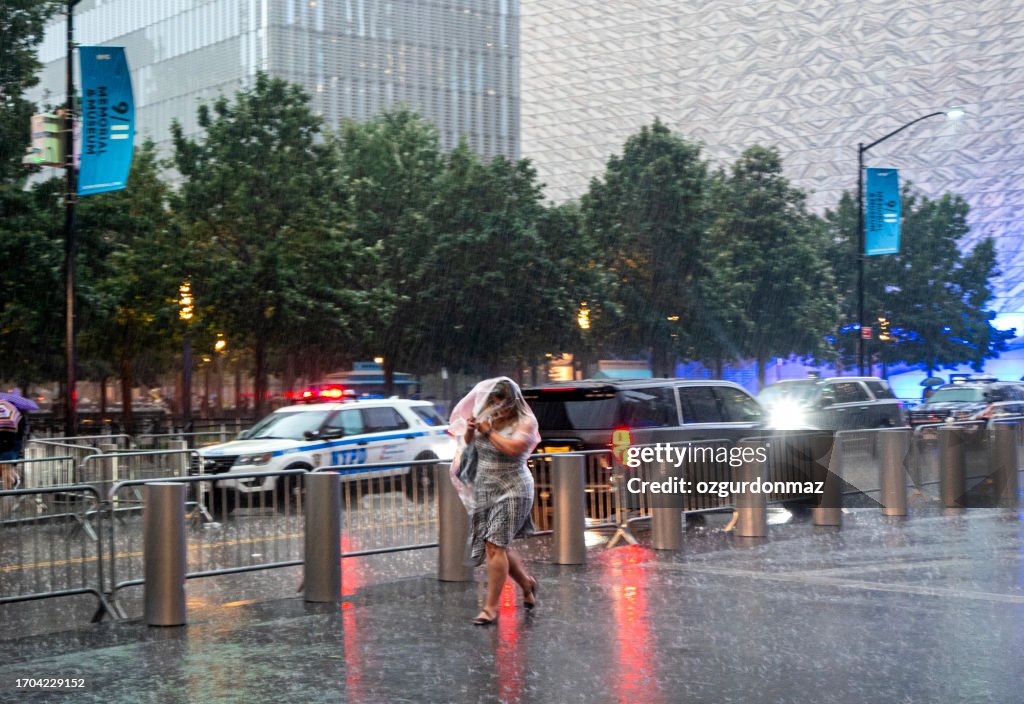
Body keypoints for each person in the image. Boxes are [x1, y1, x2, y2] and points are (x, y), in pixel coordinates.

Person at [449, 377, 541, 626]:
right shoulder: (486, 416)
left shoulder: (526, 421)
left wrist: (488, 431)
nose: (497, 405)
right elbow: (469, 446)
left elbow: (515, 449)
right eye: (493, 400)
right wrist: (470, 430)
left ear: (512, 400)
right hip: (487, 486)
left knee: (494, 544)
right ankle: (526, 584)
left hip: (515, 487)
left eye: (501, 400)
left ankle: (489, 608)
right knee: (497, 545)